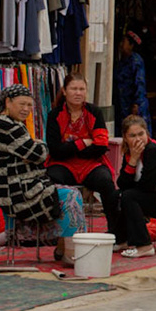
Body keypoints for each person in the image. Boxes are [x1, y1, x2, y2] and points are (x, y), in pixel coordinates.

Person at [0, 85, 64, 235]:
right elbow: (38, 155)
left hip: (13, 188)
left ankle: (62, 244)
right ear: (8, 102)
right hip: (13, 194)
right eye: (22, 104)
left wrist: (34, 149)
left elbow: (30, 153)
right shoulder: (7, 126)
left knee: (64, 190)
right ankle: (64, 246)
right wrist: (41, 145)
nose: (26, 109)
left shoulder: (6, 123)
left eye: (29, 105)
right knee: (69, 196)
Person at [45, 74, 119, 227]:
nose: (78, 93)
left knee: (106, 182)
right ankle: (56, 230)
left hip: (91, 165)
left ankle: (117, 232)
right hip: (63, 165)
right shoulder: (54, 115)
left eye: (81, 89)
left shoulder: (94, 112)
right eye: (73, 89)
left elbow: (101, 147)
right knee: (50, 181)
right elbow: (55, 150)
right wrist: (83, 143)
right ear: (65, 91)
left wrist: (70, 148)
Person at [115, 114, 156, 257]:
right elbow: (122, 183)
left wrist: (128, 186)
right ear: (125, 138)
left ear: (147, 133)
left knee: (129, 196)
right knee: (117, 195)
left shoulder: (153, 150)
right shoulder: (130, 152)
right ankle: (121, 238)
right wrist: (133, 159)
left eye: (141, 134)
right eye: (132, 136)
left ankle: (144, 245)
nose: (138, 139)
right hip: (152, 196)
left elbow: (147, 185)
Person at [113, 29, 150, 131]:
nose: (121, 45)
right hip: (122, 103)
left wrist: (136, 104)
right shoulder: (121, 61)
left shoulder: (136, 61)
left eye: (124, 42)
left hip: (132, 103)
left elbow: (140, 83)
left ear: (131, 45)